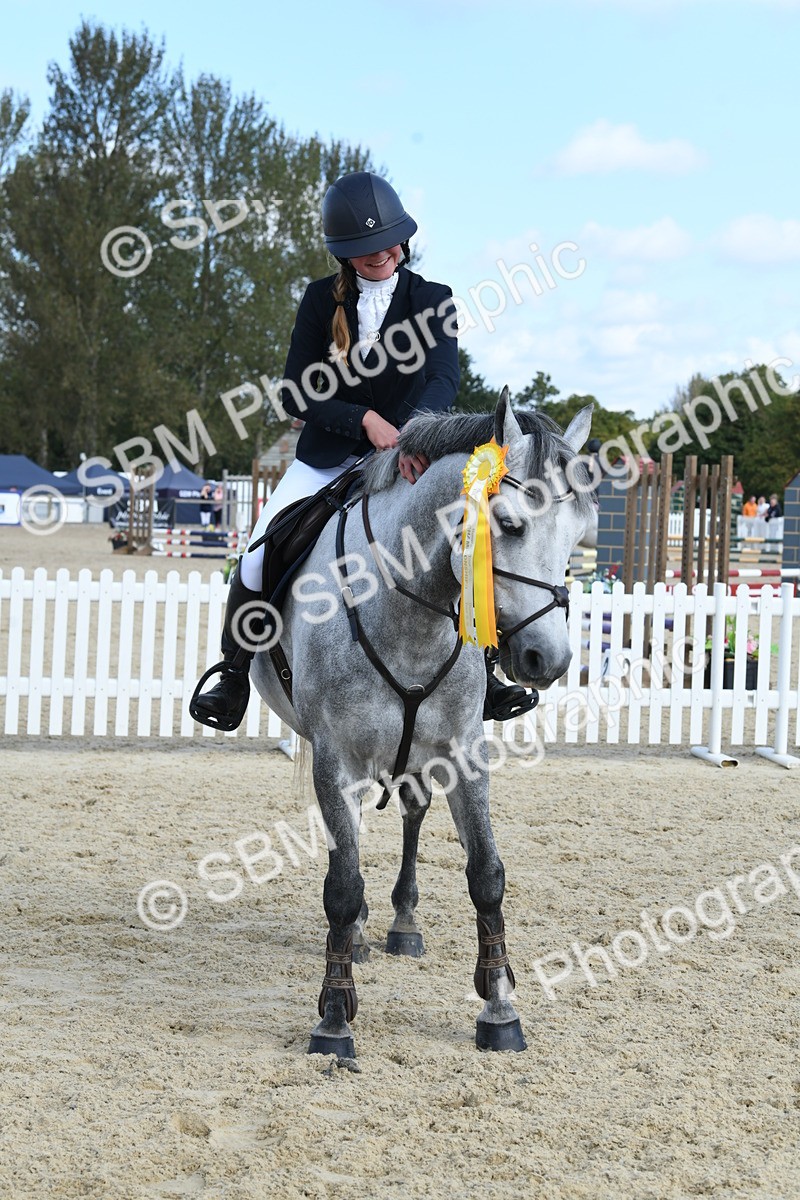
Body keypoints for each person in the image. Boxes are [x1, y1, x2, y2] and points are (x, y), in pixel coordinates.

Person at [192, 171, 532, 730]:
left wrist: (406, 435)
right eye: (368, 250)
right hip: (327, 456)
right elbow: (296, 389)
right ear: (345, 254)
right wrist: (363, 421)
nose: (384, 254)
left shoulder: (433, 299)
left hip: (410, 454)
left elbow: (443, 379)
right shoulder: (316, 300)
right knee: (256, 553)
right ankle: (233, 674)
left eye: (391, 242)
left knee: (465, 539)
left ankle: (486, 671)